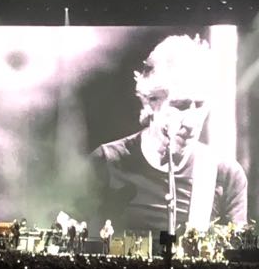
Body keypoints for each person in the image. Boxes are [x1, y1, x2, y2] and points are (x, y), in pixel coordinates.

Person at [88, 34, 248, 236]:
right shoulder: (105, 162)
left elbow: (236, 252)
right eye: (180, 106)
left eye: (200, 105)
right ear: (150, 102)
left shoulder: (226, 175)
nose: (192, 122)